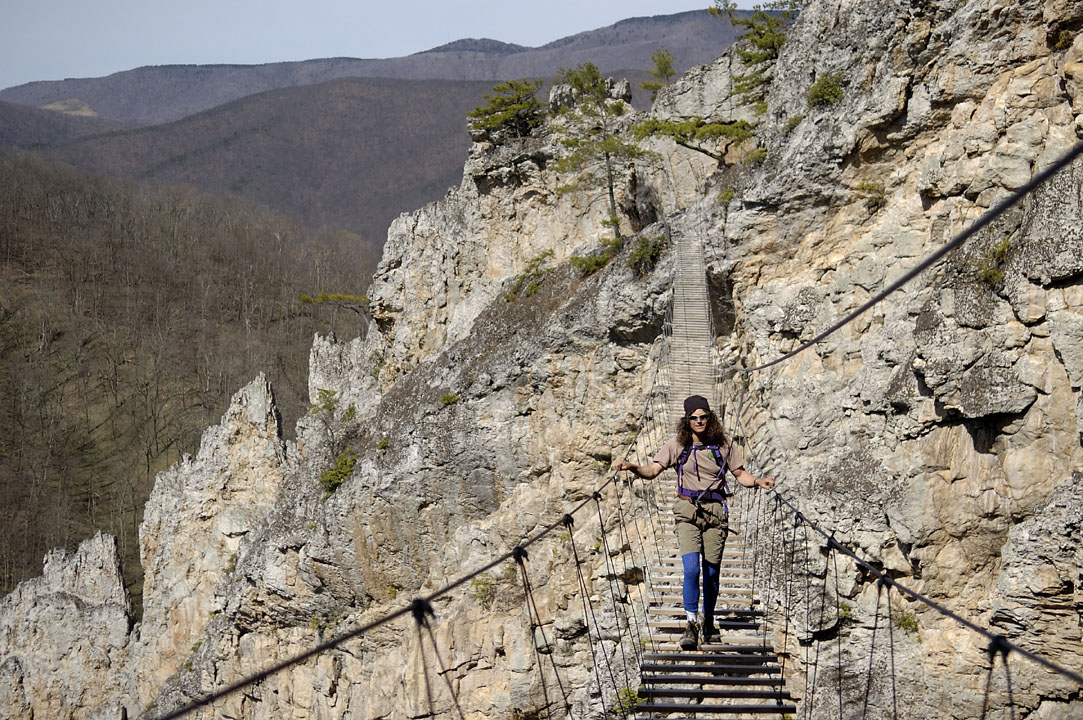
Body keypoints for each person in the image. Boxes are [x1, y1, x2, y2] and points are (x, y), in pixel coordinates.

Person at [613, 394, 774, 650]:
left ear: (710, 418)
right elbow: (652, 471)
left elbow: (740, 474)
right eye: (693, 417)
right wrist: (632, 466)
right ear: (686, 420)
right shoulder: (677, 444)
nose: (699, 421)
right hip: (687, 512)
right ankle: (691, 623)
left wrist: (757, 481)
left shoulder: (723, 445)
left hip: (715, 513)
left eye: (703, 416)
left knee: (711, 573)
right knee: (691, 570)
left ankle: (708, 620)